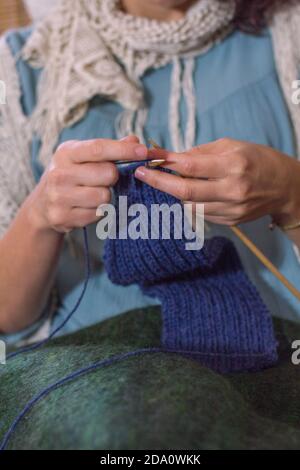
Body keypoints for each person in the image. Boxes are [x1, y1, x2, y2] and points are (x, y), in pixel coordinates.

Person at [0, 0, 299, 343]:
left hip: (276, 353)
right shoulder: (22, 66)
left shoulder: (287, 34)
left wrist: (291, 190)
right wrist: (40, 215)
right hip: (91, 365)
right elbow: (8, 317)